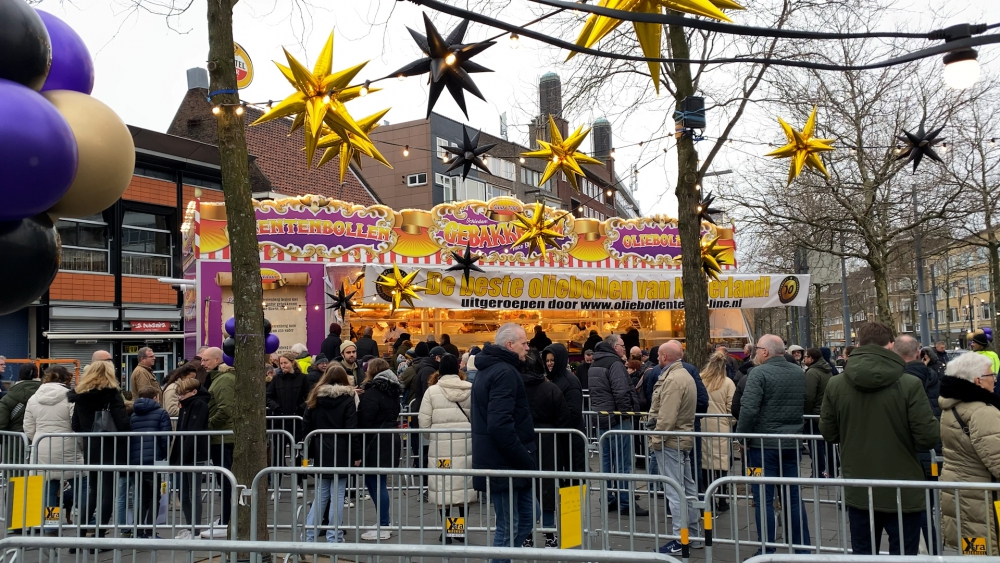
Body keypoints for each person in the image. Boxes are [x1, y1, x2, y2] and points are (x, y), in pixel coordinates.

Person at [820, 322, 940, 555]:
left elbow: (829, 433)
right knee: (904, 555)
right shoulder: (910, 384)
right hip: (903, 487)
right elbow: (927, 437)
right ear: (891, 345)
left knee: (863, 555)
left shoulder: (836, 384)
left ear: (858, 344)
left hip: (859, 487)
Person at [736, 334, 811, 555]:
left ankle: (766, 549)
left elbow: (748, 409)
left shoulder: (758, 373)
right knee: (793, 498)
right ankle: (802, 549)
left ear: (765, 351)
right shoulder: (798, 372)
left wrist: (742, 438)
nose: (755, 352)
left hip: (761, 447)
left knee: (763, 498)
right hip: (791, 445)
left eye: (757, 348)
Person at [471, 323, 537, 561]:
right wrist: (524, 457)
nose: (527, 348)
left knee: (528, 516)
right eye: (524, 343)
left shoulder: (493, 370)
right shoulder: (503, 372)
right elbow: (499, 424)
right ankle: (501, 559)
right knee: (509, 525)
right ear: (510, 345)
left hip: (506, 460)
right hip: (506, 461)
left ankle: (502, 557)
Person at [938, 352, 1000, 555]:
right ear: (978, 381)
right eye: (991, 374)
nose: (995, 379)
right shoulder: (983, 411)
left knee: (973, 551)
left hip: (961, 493)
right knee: (987, 552)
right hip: (984, 501)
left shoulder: (952, 406)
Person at [648, 340, 700, 555]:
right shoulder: (685, 375)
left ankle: (681, 539)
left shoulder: (672, 380)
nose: (658, 359)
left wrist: (656, 440)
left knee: (674, 490)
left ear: (664, 356)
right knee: (687, 488)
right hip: (682, 438)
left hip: (671, 441)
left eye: (660, 355)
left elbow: (666, 417)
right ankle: (693, 535)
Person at [68, 360, 130, 537]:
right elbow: (123, 424)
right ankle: (99, 535)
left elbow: (75, 425)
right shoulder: (112, 395)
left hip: (92, 447)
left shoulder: (80, 396)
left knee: (94, 491)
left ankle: (80, 535)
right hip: (111, 446)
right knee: (108, 492)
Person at [419, 353, 476, 544]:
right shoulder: (470, 389)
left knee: (444, 489)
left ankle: (447, 531)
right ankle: (459, 530)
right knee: (463, 489)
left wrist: (433, 436)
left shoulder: (432, 391)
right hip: (466, 447)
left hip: (442, 450)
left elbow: (424, 422)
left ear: (440, 370)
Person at [588, 334, 648, 516]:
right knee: (623, 463)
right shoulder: (614, 364)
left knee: (606, 462)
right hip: (618, 420)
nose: (625, 348)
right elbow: (621, 392)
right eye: (622, 345)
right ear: (614, 347)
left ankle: (608, 498)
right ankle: (626, 502)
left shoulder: (594, 364)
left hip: (602, 420)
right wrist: (627, 414)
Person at [302, 365, 361, 544]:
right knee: (337, 496)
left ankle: (309, 535)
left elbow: (306, 424)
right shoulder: (347, 399)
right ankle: (334, 536)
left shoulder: (316, 397)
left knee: (321, 494)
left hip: (321, 448)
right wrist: (356, 454)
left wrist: (309, 449)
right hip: (341, 449)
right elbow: (352, 428)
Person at [519, 349, 571, 548]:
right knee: (547, 488)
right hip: (549, 442)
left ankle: (527, 535)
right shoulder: (551, 389)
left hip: (523, 442)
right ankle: (550, 535)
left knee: (525, 489)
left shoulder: (516, 388)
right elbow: (564, 420)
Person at [896, 335, 943, 553]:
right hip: (931, 454)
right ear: (918, 354)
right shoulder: (933, 377)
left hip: (905, 454)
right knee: (927, 507)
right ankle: (933, 550)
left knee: (911, 511)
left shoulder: (897, 380)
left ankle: (914, 552)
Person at [24, 366, 84, 526]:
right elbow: (76, 424)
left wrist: (38, 439)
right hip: (69, 447)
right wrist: (81, 445)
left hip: (42, 447)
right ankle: (87, 522)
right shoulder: (71, 397)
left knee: (49, 488)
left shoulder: (34, 398)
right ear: (67, 378)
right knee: (81, 485)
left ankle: (51, 524)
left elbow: (28, 428)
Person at [357, 358, 402, 541]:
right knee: (378, 481)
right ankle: (383, 521)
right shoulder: (392, 391)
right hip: (390, 438)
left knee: (376, 483)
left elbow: (365, 418)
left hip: (376, 440)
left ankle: (384, 524)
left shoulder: (373, 392)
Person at [129, 386, 172, 538]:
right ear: (155, 397)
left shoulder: (134, 414)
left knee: (142, 497)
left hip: (136, 461)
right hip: (154, 461)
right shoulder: (161, 413)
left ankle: (139, 530)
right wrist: (165, 456)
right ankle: (150, 530)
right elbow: (165, 438)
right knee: (155, 497)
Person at [171, 377, 211, 539]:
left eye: (182, 394)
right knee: (184, 493)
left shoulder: (198, 405)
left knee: (193, 493)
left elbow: (193, 430)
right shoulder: (186, 406)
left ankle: (195, 529)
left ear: (193, 392)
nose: (180, 397)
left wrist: (183, 453)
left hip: (194, 453)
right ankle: (190, 527)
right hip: (184, 453)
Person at [202, 346, 234, 538]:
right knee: (225, 481)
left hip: (224, 437)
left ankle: (227, 520)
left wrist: (209, 425)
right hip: (221, 436)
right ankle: (225, 518)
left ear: (217, 360)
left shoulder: (223, 380)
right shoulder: (219, 379)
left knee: (227, 481)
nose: (203, 363)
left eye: (206, 360)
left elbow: (225, 409)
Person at [699, 351, 736, 512]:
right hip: (721, 428)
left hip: (702, 426)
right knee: (721, 465)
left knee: (705, 465)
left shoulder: (700, 379)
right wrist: (729, 422)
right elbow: (732, 408)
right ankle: (722, 500)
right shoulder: (727, 383)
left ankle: (708, 499)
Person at [542, 344, 587, 475]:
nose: (549, 364)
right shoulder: (553, 380)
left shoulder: (570, 382)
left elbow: (574, 412)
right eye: (547, 360)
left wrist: (555, 421)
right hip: (562, 439)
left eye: (552, 360)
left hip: (571, 440)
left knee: (572, 479)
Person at [267, 352, 309, 478]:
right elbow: (267, 396)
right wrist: (276, 407)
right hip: (281, 421)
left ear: (292, 363)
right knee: (278, 453)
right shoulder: (276, 379)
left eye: (285, 363)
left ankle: (300, 482)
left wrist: (300, 408)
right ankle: (277, 485)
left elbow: (309, 397)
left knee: (299, 453)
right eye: (281, 363)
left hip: (297, 422)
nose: (283, 366)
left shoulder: (303, 378)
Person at [803, 348, 833, 477]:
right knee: (828, 444)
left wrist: (806, 412)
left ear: (811, 358)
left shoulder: (812, 373)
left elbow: (809, 396)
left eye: (805, 357)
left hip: (814, 415)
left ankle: (818, 472)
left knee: (815, 445)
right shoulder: (827, 370)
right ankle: (831, 470)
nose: (804, 359)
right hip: (825, 413)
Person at [0, 363, 41, 432]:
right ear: (37, 375)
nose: (4, 366)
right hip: (41, 439)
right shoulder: (47, 395)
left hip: (13, 439)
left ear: (19, 376)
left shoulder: (8, 398)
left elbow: (1, 423)